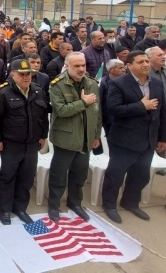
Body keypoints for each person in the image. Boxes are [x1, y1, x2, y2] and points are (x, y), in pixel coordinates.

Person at [102, 51, 166, 224]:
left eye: (147, 61)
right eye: (140, 62)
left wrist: (163, 137)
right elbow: (113, 109)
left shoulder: (156, 83)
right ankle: (109, 205)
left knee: (141, 175)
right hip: (124, 139)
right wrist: (141, 106)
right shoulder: (118, 84)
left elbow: (162, 112)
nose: (145, 64)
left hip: (148, 139)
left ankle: (130, 203)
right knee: (116, 175)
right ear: (129, 65)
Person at [0, 59, 48, 225]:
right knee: (7, 176)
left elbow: (43, 116)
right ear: (13, 75)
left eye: (28, 74)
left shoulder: (38, 91)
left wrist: (43, 135)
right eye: (22, 74)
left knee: (27, 177)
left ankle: (20, 208)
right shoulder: (2, 92)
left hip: (31, 143)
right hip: (11, 144)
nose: (26, 77)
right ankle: (5, 209)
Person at [47, 52, 101, 222]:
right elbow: (61, 110)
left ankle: (75, 202)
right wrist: (83, 102)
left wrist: (96, 135)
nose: (81, 69)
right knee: (59, 174)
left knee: (80, 174)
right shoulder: (57, 85)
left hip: (86, 137)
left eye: (83, 65)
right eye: (76, 66)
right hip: (66, 138)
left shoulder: (92, 84)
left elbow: (97, 112)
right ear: (67, 66)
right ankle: (54, 205)